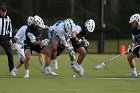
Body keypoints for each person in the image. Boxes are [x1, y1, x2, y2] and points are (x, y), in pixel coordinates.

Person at [0, 5, 14, 75]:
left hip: (5, 37)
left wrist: (10, 38)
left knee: (10, 54)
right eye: (2, 12)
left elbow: (10, 29)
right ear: (0, 11)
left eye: (5, 12)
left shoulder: (8, 18)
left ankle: (12, 70)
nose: (4, 13)